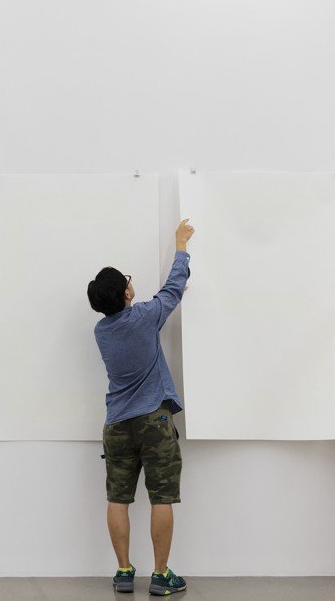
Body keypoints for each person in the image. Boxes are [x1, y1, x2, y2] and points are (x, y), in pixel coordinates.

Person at [87, 218, 194, 596]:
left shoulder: (102, 331)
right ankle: (161, 576)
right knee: (161, 497)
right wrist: (181, 244)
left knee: (118, 497)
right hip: (153, 420)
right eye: (127, 280)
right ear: (126, 292)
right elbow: (173, 288)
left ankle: (123, 572)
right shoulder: (144, 317)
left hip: (117, 425)